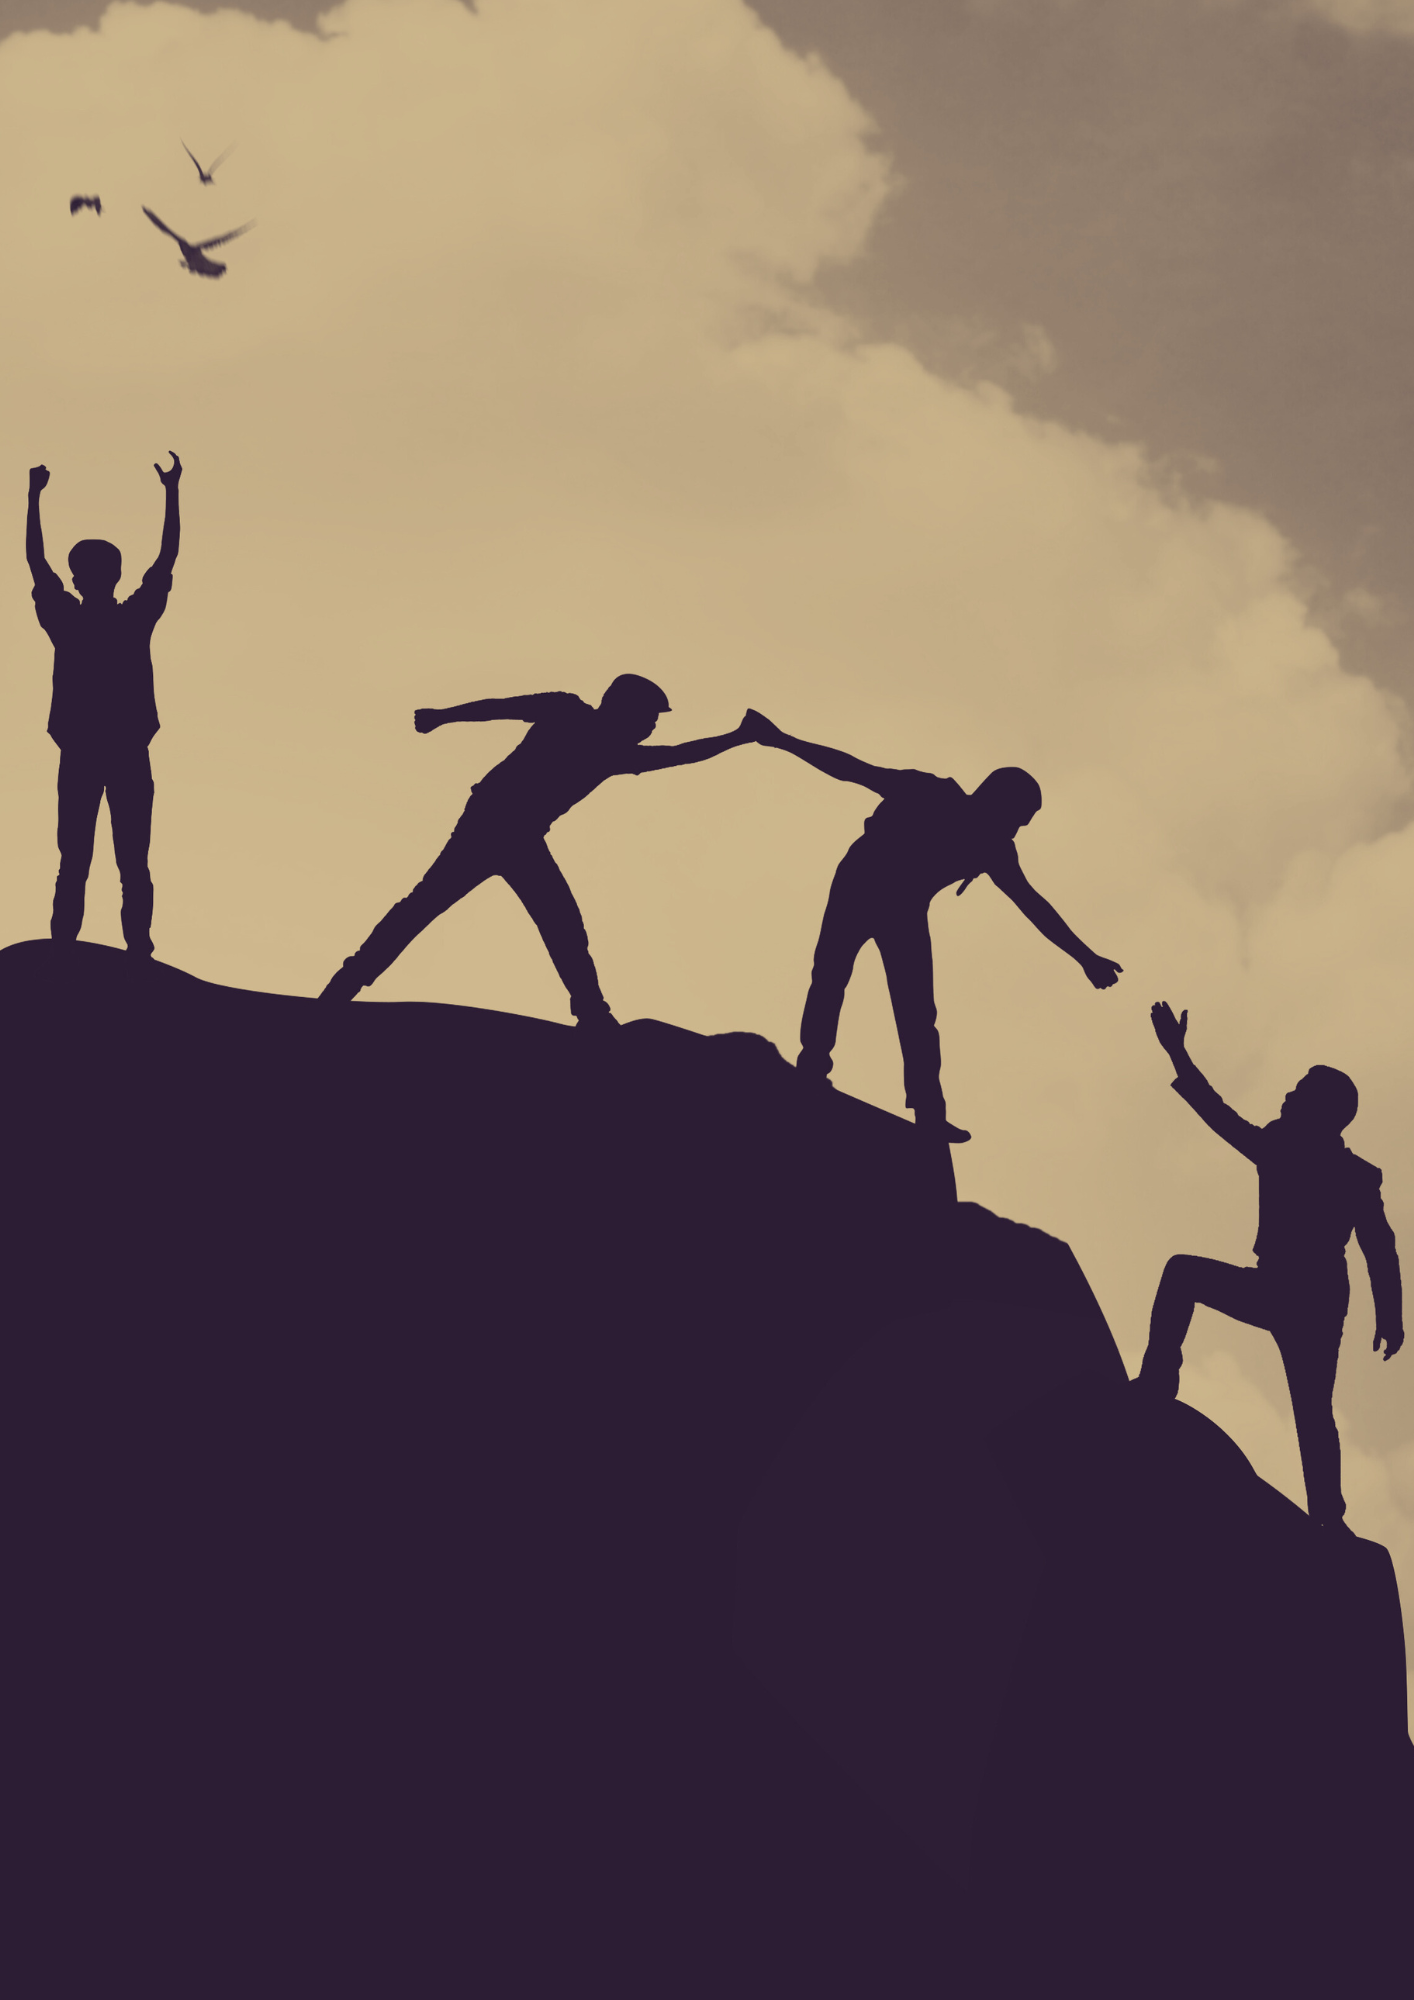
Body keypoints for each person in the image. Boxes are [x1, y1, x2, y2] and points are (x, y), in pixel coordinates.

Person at [740, 711, 1121, 1141]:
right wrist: (780, 740)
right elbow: (851, 769)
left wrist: (1085, 957)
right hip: (859, 885)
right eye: (1016, 818)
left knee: (917, 1009)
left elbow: (1033, 905)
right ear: (996, 799)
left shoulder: (994, 847)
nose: (1015, 830)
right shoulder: (927, 791)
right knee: (830, 975)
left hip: (904, 909)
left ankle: (929, 1110)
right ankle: (812, 1067)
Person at [320, 677, 750, 1020]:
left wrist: (737, 737)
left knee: (556, 921)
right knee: (429, 907)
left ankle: (592, 1013)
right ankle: (346, 985)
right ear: (625, 709)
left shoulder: (614, 752)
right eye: (649, 718)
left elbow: (679, 755)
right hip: (489, 826)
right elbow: (501, 707)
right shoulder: (567, 711)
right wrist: (443, 716)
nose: (651, 727)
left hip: (519, 836)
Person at [1137, 1001, 1403, 1530]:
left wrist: (1390, 1316)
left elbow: (1380, 1247)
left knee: (1312, 1410)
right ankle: (1156, 1384)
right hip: (1276, 1286)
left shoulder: (1352, 1175)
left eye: (1301, 1091)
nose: (1288, 1093)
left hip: (1318, 1302)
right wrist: (1178, 1055)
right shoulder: (1280, 1145)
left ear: (1323, 1112)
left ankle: (1329, 1517)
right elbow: (1219, 1116)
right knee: (1182, 1273)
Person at [25, 455, 182, 957]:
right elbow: (166, 560)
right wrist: (172, 492)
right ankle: (125, 948)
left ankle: (84, 947)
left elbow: (36, 563)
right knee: (119, 859)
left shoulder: (73, 620)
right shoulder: (129, 618)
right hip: (112, 753)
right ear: (114, 574)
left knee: (86, 858)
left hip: (100, 753)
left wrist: (34, 498)